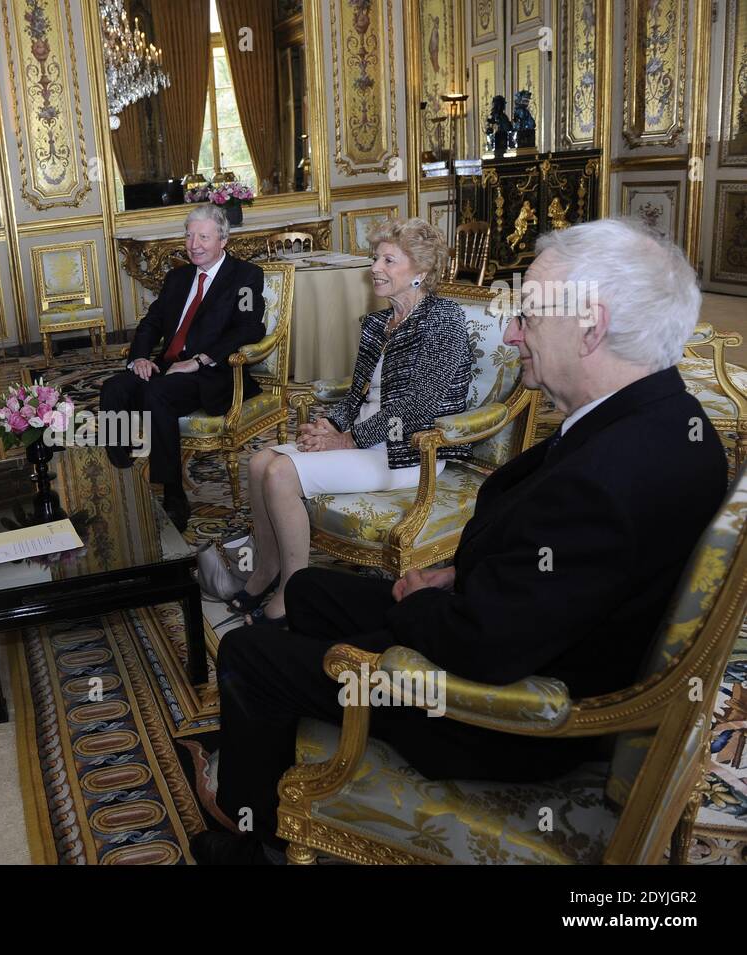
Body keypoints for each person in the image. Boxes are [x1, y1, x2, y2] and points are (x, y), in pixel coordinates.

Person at [193, 218, 728, 864]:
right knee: (305, 589)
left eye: (526, 317)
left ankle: (257, 837)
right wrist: (448, 573)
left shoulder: (613, 476)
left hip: (501, 718)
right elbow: (549, 572)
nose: (509, 334)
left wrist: (421, 604)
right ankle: (279, 745)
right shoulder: (662, 415)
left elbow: (484, 643)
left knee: (250, 655)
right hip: (524, 627)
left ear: (590, 325)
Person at [233, 218, 471, 625]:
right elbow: (356, 390)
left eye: (388, 260)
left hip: (407, 451)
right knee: (258, 463)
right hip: (363, 440)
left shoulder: (443, 320)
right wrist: (329, 426)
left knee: (279, 473)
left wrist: (348, 439)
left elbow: (420, 405)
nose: (375, 267)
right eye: (375, 257)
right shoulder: (379, 323)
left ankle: (293, 593)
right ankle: (265, 569)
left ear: (421, 272)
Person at [99, 203, 265, 531]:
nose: (194, 244)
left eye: (203, 236)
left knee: (157, 396)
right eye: (189, 236)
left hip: (212, 373)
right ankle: (122, 472)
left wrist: (200, 360)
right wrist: (140, 358)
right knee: (113, 390)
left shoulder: (245, 277)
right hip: (167, 366)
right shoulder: (178, 277)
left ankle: (172, 492)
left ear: (223, 241)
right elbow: (152, 322)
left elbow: (249, 328)